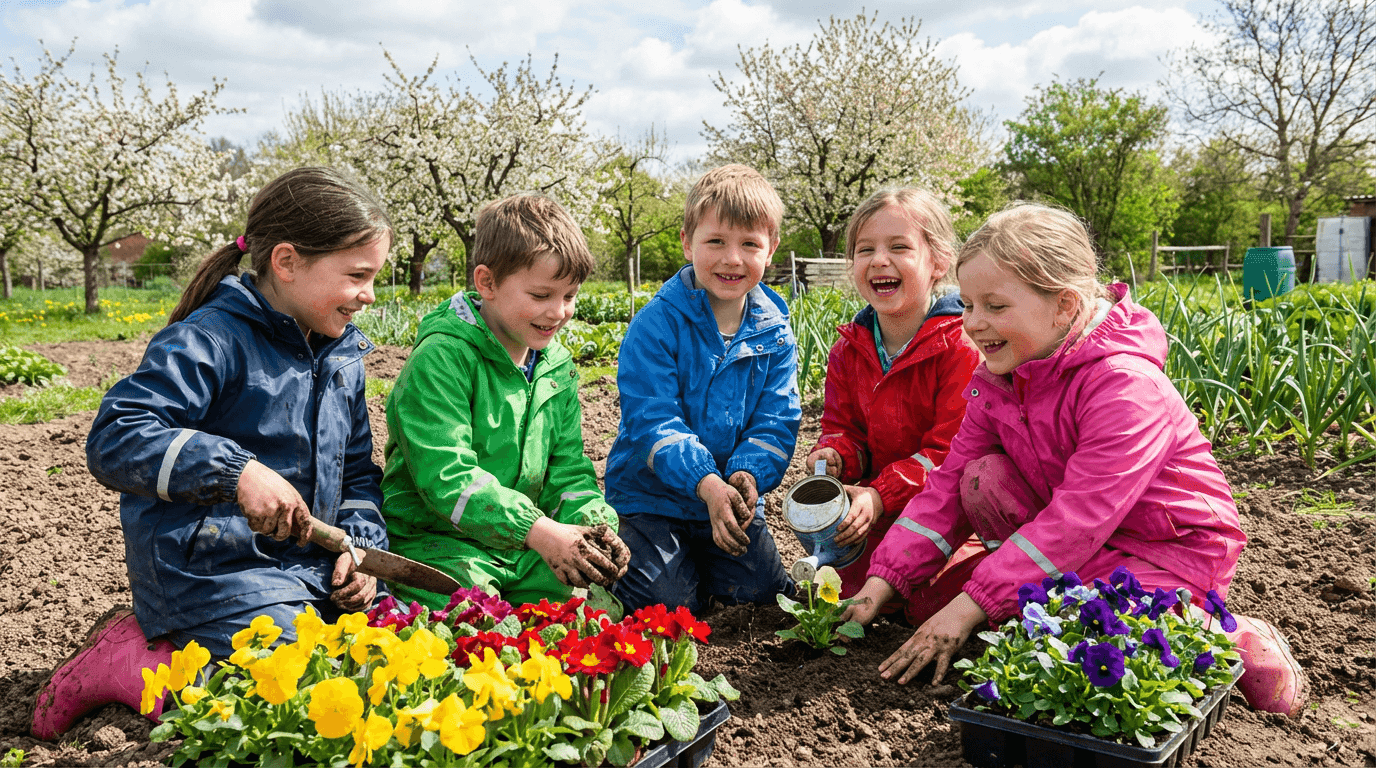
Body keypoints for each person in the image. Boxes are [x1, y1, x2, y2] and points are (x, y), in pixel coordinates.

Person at [841, 203, 1308, 717]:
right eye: (968, 304)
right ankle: (1032, 599)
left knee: (1092, 637)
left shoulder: (1124, 385)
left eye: (995, 307)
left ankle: (1228, 636)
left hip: (1168, 549)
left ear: (1064, 305)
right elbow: (949, 485)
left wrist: (972, 604)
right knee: (951, 551)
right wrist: (881, 583)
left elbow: (1081, 515)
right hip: (1071, 538)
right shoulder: (999, 377)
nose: (973, 324)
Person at [32, 166, 393, 740]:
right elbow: (116, 436)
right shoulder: (209, 341)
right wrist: (236, 471)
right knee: (300, 702)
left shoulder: (340, 355)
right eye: (356, 275)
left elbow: (355, 472)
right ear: (287, 262)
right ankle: (134, 666)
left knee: (395, 667)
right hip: (213, 571)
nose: (369, 295)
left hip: (310, 570)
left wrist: (361, 548)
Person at [380, 193, 629, 611]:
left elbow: (567, 471)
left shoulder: (556, 367)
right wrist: (538, 531)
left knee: (595, 614)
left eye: (569, 296)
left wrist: (593, 527)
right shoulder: (443, 359)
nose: (559, 312)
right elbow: (447, 478)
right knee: (476, 619)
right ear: (487, 283)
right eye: (541, 295)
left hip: (520, 544)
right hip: (439, 543)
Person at [606, 164, 800, 613]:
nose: (732, 259)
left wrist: (747, 476)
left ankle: (701, 562)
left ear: (770, 251)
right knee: (665, 606)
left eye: (749, 244)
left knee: (763, 598)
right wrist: (706, 482)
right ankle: (658, 565)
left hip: (728, 500)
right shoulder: (656, 325)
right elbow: (653, 421)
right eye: (716, 242)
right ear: (686, 242)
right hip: (650, 498)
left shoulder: (775, 332)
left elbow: (777, 420)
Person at [803, 189, 980, 601]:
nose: (879, 260)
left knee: (925, 599)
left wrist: (881, 494)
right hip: (877, 509)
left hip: (946, 514)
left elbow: (948, 453)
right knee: (845, 587)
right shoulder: (849, 349)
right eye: (865, 250)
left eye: (899, 247)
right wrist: (835, 453)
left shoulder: (961, 347)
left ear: (938, 261)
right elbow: (843, 428)